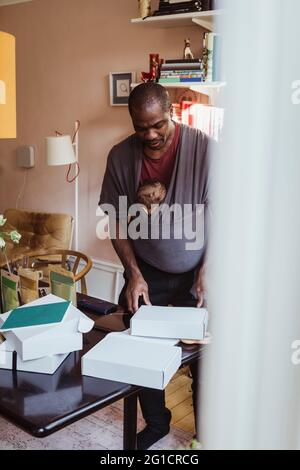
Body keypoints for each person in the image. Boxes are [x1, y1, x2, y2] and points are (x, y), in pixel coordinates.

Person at [99, 82, 211, 450]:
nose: (151, 134)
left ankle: (207, 435)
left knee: (206, 361)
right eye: (141, 127)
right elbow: (115, 220)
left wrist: (208, 270)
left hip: (198, 274)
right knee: (141, 354)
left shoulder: (204, 149)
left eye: (158, 125)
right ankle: (158, 424)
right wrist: (133, 274)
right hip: (146, 272)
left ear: (171, 113)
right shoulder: (120, 156)